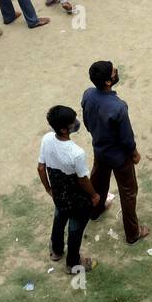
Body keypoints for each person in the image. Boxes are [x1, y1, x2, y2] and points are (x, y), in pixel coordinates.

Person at [81, 61, 149, 244]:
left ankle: (95, 211)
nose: (116, 71)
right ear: (108, 82)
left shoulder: (88, 95)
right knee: (128, 192)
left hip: (100, 150)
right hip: (120, 157)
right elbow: (126, 138)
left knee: (98, 182)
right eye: (113, 71)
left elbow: (86, 121)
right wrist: (134, 153)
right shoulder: (118, 107)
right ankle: (132, 232)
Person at [38, 105, 100, 272]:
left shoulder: (47, 139)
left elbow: (41, 168)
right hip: (77, 198)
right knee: (75, 227)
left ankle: (56, 250)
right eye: (73, 122)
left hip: (58, 192)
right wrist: (94, 195)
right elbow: (83, 180)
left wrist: (48, 189)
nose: (76, 123)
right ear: (65, 129)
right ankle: (73, 262)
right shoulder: (76, 153)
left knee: (59, 216)